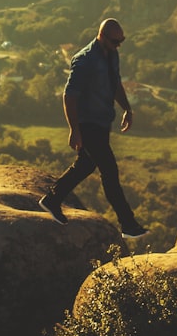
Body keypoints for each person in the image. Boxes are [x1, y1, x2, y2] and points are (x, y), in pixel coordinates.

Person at [38, 18, 148, 238]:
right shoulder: (85, 60)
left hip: (103, 122)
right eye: (116, 41)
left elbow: (115, 84)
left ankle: (52, 199)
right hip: (88, 124)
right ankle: (128, 224)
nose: (119, 45)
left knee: (86, 165)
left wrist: (127, 108)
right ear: (102, 36)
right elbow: (69, 96)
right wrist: (74, 129)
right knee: (110, 171)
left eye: (121, 41)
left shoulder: (112, 55)